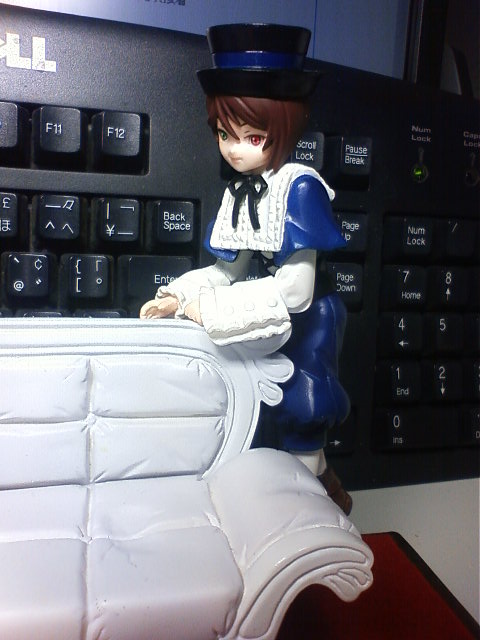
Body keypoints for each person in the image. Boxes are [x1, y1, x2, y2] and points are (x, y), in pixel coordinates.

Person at [140, 23, 352, 513]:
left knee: (300, 420)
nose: (235, 149)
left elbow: (296, 290)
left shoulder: (300, 187)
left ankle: (310, 515)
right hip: (261, 316)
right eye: (224, 133)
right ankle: (305, 504)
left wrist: (212, 309)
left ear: (285, 126)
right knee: (249, 420)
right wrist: (180, 296)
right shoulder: (238, 192)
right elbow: (228, 270)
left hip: (306, 323)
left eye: (252, 136)